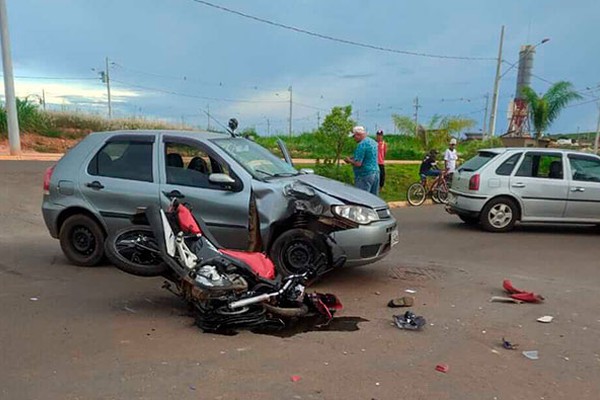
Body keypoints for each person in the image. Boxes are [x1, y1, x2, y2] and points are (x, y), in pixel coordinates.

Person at [344, 126, 380, 195]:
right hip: (375, 172)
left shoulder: (361, 145)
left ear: (358, 134)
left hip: (364, 174)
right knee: (373, 197)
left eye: (354, 136)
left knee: (362, 197)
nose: (354, 139)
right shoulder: (373, 142)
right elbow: (368, 156)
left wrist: (349, 160)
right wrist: (354, 157)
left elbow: (358, 163)